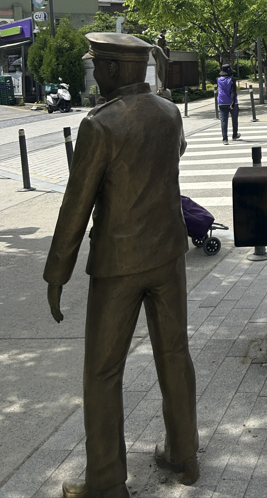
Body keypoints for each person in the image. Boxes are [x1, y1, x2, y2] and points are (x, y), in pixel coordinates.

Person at [43, 33, 199, 498]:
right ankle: (185, 456)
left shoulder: (100, 125)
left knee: (103, 372)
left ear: (113, 69)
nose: (95, 74)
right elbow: (175, 152)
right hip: (168, 254)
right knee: (175, 354)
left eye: (97, 66)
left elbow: (76, 205)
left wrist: (57, 272)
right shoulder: (168, 113)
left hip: (119, 265)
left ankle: (107, 481)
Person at [217, 63, 240, 144]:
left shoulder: (218, 80)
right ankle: (234, 135)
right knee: (234, 119)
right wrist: (233, 102)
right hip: (232, 102)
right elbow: (233, 91)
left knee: (224, 121)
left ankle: (225, 139)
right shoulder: (232, 79)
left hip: (221, 102)